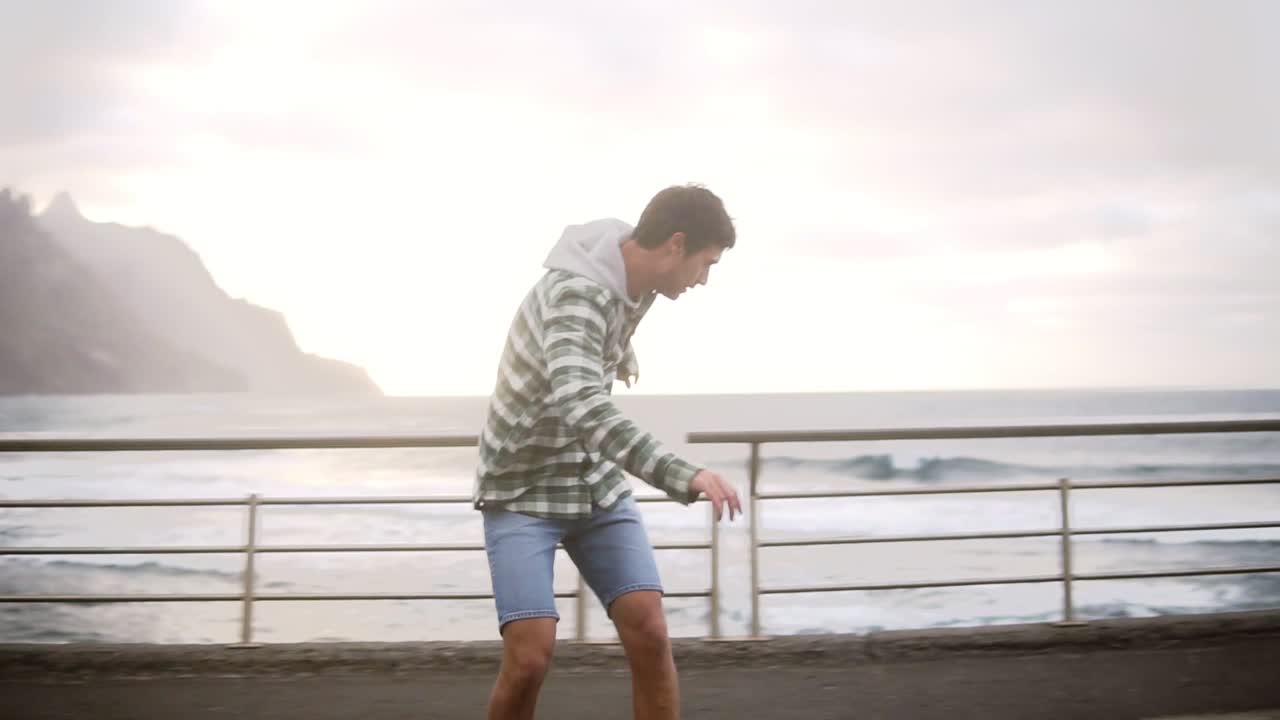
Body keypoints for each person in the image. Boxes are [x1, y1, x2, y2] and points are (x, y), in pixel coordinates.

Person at [473, 184, 744, 719]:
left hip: (594, 482)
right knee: (530, 657)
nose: (704, 280)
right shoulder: (580, 291)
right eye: (705, 264)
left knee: (649, 628)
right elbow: (579, 401)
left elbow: (597, 330)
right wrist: (680, 474)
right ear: (675, 244)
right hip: (524, 487)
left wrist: (620, 349)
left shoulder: (629, 276)